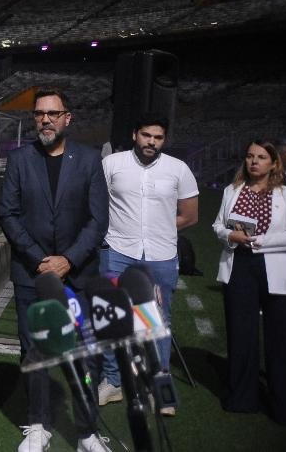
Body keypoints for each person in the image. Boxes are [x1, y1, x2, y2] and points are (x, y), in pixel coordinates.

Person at [0, 89, 109, 452]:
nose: (45, 119)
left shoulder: (90, 160)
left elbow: (98, 220)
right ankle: (38, 425)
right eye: (39, 113)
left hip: (79, 274)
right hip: (32, 274)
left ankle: (87, 431)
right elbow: (9, 215)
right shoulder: (18, 160)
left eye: (53, 113)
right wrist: (40, 260)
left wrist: (68, 260)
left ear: (67, 117)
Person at [96, 114, 198, 416]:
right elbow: (96, 203)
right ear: (134, 134)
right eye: (146, 135)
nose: (151, 142)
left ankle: (159, 386)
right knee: (111, 318)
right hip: (116, 251)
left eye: (158, 137)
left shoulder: (178, 169)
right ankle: (113, 382)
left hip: (161, 256)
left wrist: (160, 229)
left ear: (164, 140)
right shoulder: (112, 164)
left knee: (157, 321)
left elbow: (190, 216)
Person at [213, 139, 286, 425]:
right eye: (250, 156)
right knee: (241, 335)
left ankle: (281, 406)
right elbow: (217, 225)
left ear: (274, 163)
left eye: (261, 157)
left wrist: (258, 241)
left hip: (278, 271)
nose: (254, 161)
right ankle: (242, 399)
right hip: (240, 267)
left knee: (281, 341)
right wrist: (230, 236)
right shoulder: (231, 190)